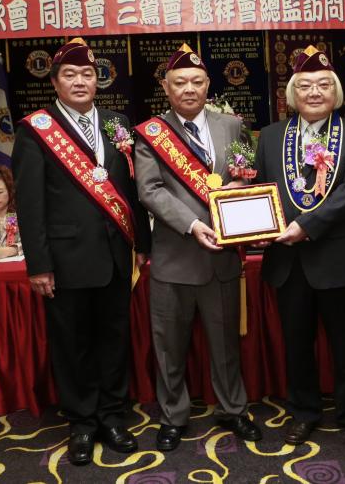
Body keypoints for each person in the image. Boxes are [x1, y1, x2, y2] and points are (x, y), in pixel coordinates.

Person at [12, 38, 151, 466]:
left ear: (97, 80)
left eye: (87, 74)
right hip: (66, 259)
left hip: (116, 254)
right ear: (55, 82)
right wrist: (39, 264)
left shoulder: (117, 123)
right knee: (73, 345)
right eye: (69, 75)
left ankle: (112, 416)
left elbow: (130, 189)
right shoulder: (37, 129)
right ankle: (82, 423)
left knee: (114, 339)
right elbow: (30, 204)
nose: (79, 81)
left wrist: (141, 244)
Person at [134, 43, 261, 451]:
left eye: (196, 81)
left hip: (222, 258)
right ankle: (173, 416)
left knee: (225, 344)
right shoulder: (151, 133)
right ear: (166, 88)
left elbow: (247, 172)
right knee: (170, 347)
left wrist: (242, 187)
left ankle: (233, 409)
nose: (189, 89)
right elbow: (150, 190)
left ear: (208, 85)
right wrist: (192, 224)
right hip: (175, 258)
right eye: (180, 83)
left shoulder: (232, 125)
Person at [253, 45, 345, 445]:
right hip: (287, 261)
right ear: (293, 93)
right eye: (305, 86)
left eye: (324, 84)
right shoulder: (271, 136)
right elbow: (261, 189)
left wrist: (305, 226)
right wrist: (253, 220)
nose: (314, 92)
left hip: (336, 256)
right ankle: (303, 411)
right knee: (296, 342)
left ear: (335, 92)